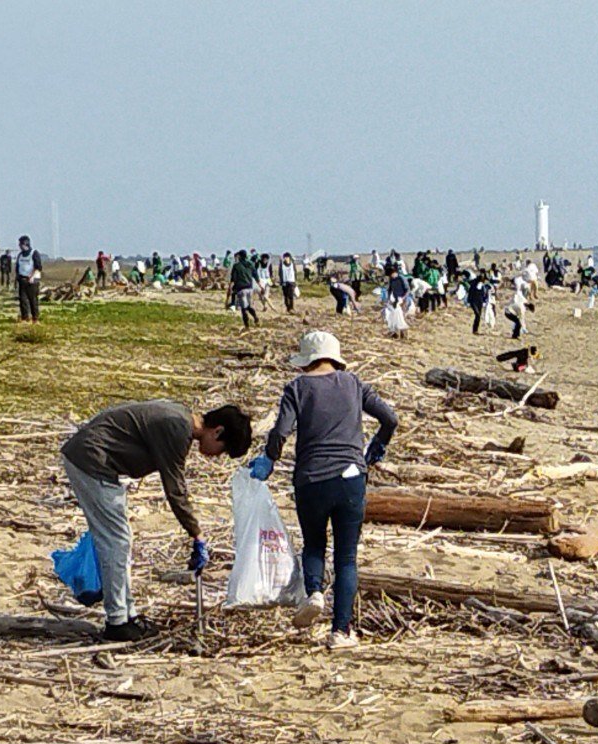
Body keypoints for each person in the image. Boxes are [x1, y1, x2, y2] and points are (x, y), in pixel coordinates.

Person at [249, 331, 397, 647]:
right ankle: (341, 632)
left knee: (314, 544)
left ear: (306, 361)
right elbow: (390, 418)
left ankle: (314, 592)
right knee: (346, 557)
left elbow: (281, 431)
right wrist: (378, 446)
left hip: (310, 479)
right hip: (351, 477)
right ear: (334, 358)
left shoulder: (297, 388)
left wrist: (268, 460)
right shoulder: (354, 384)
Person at [61, 401, 252, 641]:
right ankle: (117, 621)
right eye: (222, 449)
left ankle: (127, 615)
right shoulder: (176, 427)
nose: (217, 456)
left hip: (96, 463)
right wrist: (197, 534)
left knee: (120, 541)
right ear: (218, 431)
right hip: (90, 461)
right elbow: (175, 489)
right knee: (116, 542)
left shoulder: (180, 421)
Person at [14, 235, 43, 323]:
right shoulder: (20, 255)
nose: (19, 246)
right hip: (22, 280)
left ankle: (35, 318)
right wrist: (17, 278)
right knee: (22, 299)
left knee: (33, 300)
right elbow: (18, 267)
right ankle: (25, 318)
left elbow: (38, 266)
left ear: (25, 244)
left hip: (32, 280)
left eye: (21, 244)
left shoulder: (34, 253)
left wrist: (32, 276)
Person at [229, 249, 259, 328]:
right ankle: (255, 317)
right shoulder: (251, 264)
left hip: (241, 289)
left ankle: (247, 326)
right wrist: (260, 285)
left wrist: (230, 288)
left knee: (243, 309)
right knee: (248, 306)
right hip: (249, 288)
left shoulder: (236, 266)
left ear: (239, 256)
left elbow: (233, 278)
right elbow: (255, 275)